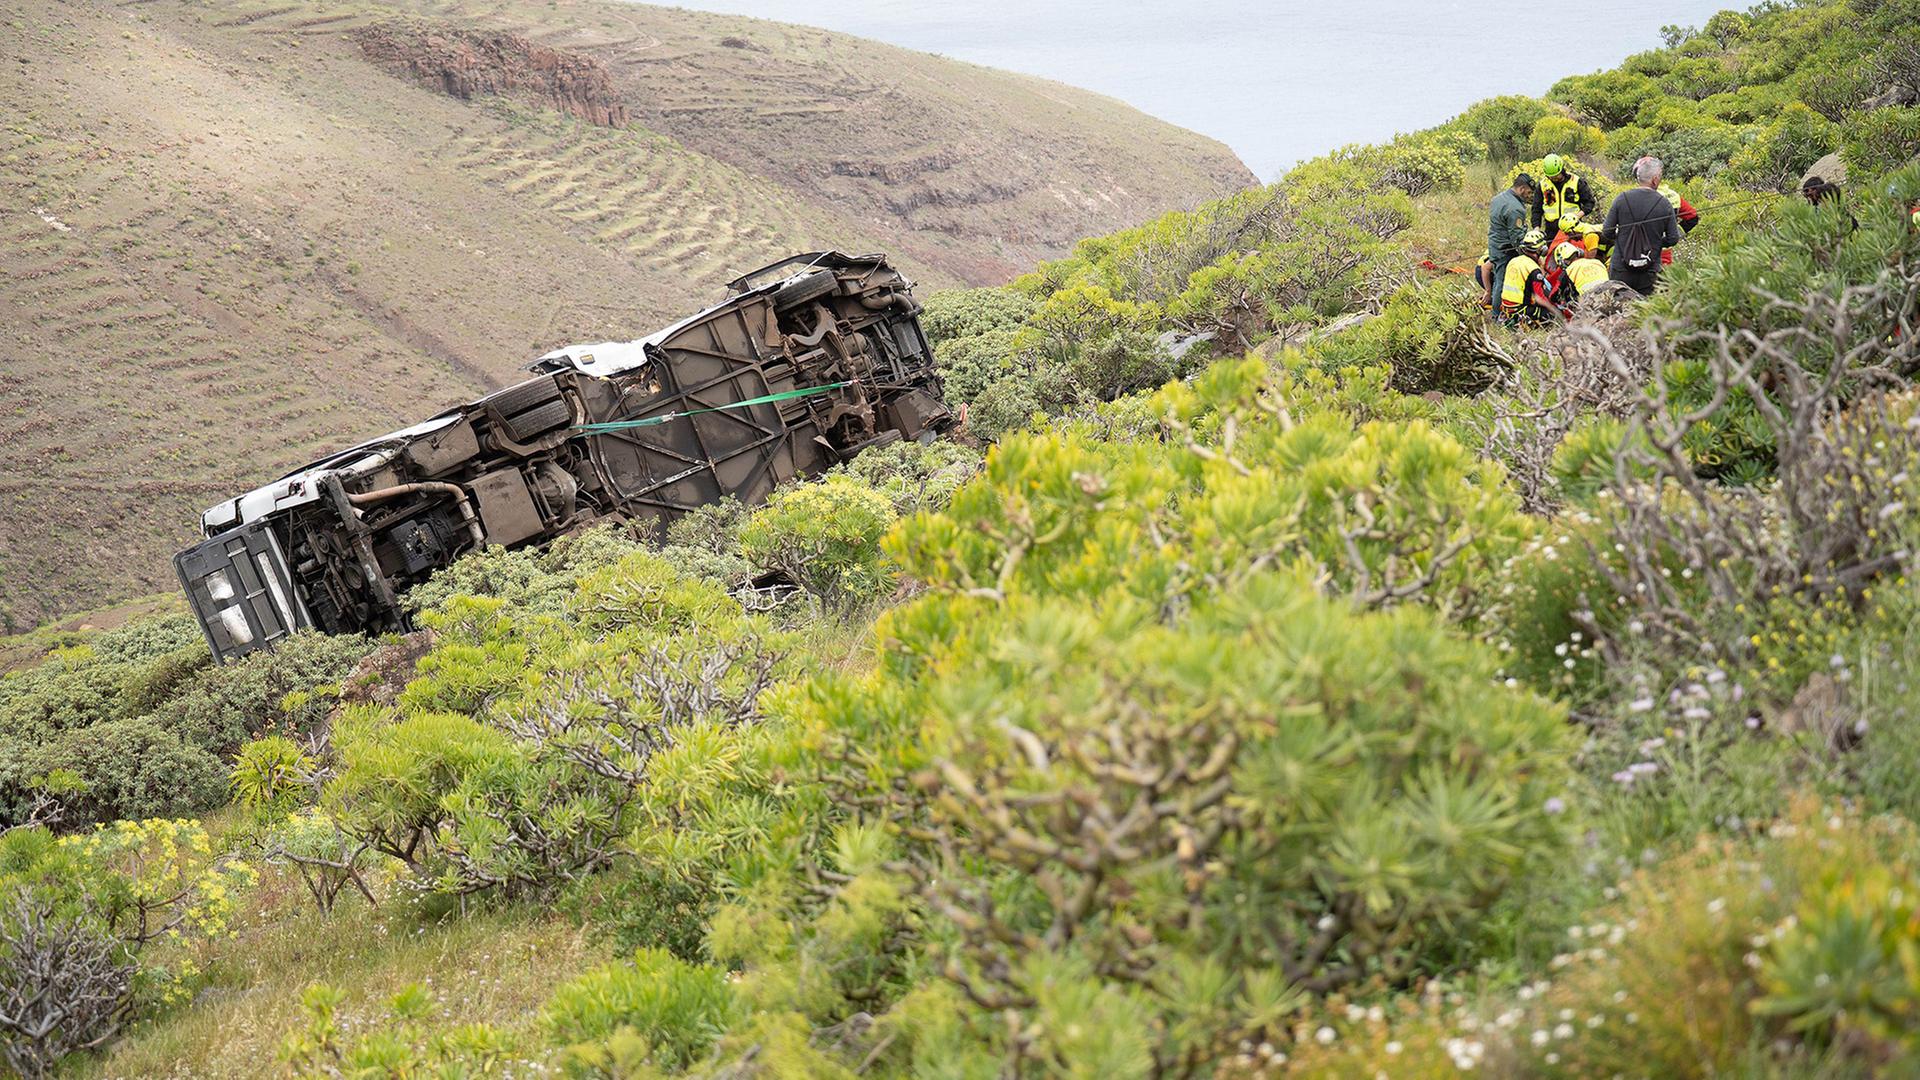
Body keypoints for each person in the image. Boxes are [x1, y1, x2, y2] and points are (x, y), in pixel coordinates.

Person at [1600, 156, 1685, 296]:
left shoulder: (1622, 199)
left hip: (1621, 269)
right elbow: (1673, 239)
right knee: (1644, 312)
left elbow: (1607, 231)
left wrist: (1623, 240)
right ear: (1655, 179)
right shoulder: (1664, 204)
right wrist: (1655, 243)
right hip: (1649, 271)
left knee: (1618, 310)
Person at [1488, 173, 1536, 312]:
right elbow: (1517, 238)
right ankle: (1497, 315)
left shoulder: (1498, 198)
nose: (1529, 196)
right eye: (1528, 192)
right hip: (1506, 250)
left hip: (1495, 245)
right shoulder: (1516, 208)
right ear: (1521, 188)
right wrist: (1530, 254)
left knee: (1498, 280)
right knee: (1502, 282)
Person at [1531, 154, 1597, 235]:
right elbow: (1536, 209)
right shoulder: (1542, 185)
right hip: (1551, 230)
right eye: (1550, 177)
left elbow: (1590, 202)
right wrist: (1536, 228)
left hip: (1573, 228)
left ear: (1562, 171)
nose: (1553, 179)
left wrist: (1577, 216)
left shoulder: (1576, 181)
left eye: (1556, 176)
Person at [1500, 229, 1554, 324]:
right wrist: (1555, 308)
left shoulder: (1514, 261)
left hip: (1506, 307)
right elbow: (1540, 298)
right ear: (1542, 249)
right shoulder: (1533, 270)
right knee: (1550, 314)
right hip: (1520, 309)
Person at [1658, 185, 1699, 267]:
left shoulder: (1641, 197)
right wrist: (1674, 234)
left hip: (1642, 254)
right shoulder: (1673, 195)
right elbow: (1693, 218)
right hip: (1666, 255)